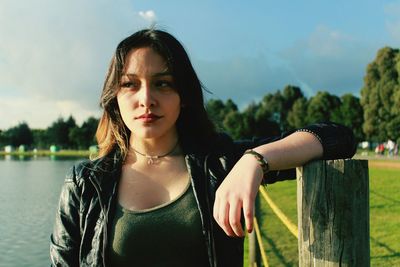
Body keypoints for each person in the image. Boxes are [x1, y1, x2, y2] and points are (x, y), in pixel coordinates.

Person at [50, 29, 356, 267]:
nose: (146, 99)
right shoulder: (84, 184)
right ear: (114, 96)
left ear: (183, 95)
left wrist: (253, 162)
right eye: (130, 84)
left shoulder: (220, 164)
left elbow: (337, 137)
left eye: (163, 83)